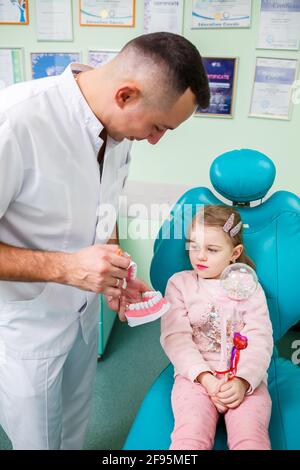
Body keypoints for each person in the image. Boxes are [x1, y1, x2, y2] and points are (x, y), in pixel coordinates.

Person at [0, 33, 210, 449]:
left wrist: (116, 262)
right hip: (28, 323)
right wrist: (67, 267)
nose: (155, 140)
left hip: (83, 318)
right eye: (157, 127)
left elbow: (104, 205)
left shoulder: (114, 127)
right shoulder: (16, 120)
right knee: (38, 440)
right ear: (126, 94)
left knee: (75, 429)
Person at [161, 205, 273, 450]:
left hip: (243, 379)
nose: (200, 256)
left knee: (251, 439)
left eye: (212, 249)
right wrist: (206, 379)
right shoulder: (180, 285)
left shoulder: (248, 286)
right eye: (193, 246)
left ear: (235, 252)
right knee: (189, 438)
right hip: (195, 379)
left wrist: (243, 381)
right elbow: (175, 338)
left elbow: (260, 337)